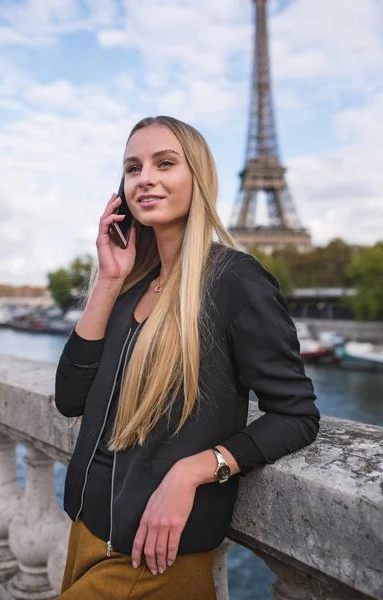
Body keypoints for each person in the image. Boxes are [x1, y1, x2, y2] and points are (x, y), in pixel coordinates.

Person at [54, 115, 320, 600]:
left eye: (165, 163)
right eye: (133, 168)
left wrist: (195, 469)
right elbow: (70, 398)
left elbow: (297, 414)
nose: (145, 178)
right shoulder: (131, 282)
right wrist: (107, 281)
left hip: (155, 556)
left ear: (198, 177)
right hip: (86, 530)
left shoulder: (236, 281)